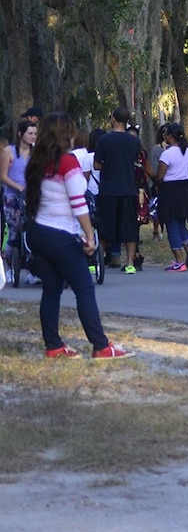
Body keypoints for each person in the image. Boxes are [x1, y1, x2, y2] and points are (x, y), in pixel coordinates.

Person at [21, 112, 126, 359]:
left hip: (38, 231)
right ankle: (101, 346)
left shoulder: (37, 162)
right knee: (84, 289)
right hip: (61, 234)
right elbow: (79, 203)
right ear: (64, 135)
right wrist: (89, 235)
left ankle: (54, 345)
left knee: (51, 290)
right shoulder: (67, 162)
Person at [94, 108, 144, 274]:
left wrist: (109, 165)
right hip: (129, 188)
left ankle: (97, 261)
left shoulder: (104, 140)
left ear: (114, 119)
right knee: (129, 227)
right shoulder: (134, 141)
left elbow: (97, 164)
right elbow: (135, 161)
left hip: (108, 189)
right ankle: (129, 263)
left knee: (104, 226)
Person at [155, 123, 188, 270]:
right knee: (181, 224)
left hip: (170, 191)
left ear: (171, 137)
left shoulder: (167, 154)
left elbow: (160, 176)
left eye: (166, 134)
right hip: (185, 189)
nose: (164, 136)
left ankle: (180, 261)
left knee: (171, 225)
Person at [4, 114, 38, 285]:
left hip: (32, 197)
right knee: (15, 232)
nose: (33, 137)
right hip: (13, 198)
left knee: (33, 232)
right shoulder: (9, 152)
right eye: (30, 133)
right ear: (20, 134)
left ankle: (33, 269)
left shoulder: (36, 153)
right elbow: (2, 176)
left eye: (35, 134)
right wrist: (18, 187)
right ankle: (9, 267)